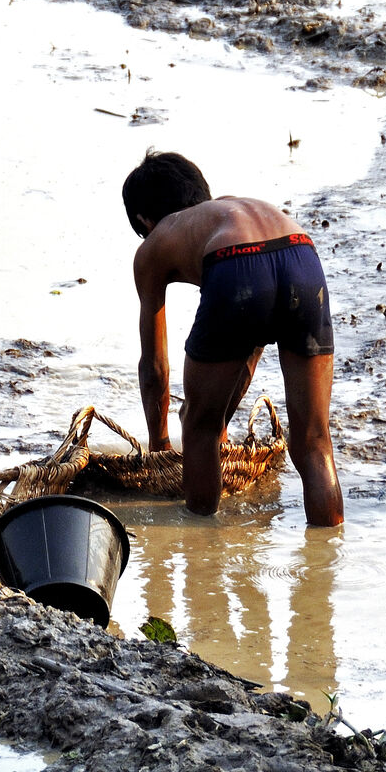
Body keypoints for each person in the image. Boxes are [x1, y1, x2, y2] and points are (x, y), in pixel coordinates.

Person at [124, 150, 343, 527]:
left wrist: (160, 447)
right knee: (314, 443)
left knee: (198, 427)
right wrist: (222, 412)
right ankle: (327, 559)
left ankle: (200, 553)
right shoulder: (228, 210)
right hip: (302, 254)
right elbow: (252, 336)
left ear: (145, 219)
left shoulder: (158, 241)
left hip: (235, 264)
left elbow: (155, 365)